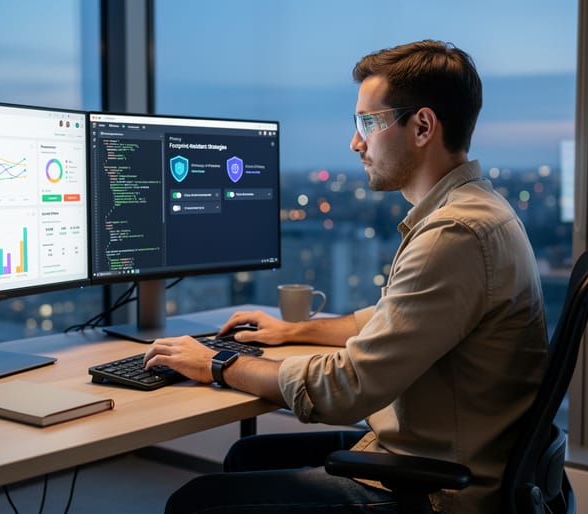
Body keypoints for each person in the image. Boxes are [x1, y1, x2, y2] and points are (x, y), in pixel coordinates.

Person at [144, 39, 549, 514]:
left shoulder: (454, 234)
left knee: (196, 502)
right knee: (246, 455)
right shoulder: (477, 211)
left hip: (442, 490)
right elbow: (393, 317)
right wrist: (294, 331)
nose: (355, 143)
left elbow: (347, 390)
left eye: (367, 123)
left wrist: (217, 364)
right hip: (439, 453)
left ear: (422, 126)